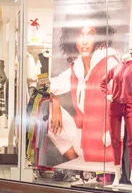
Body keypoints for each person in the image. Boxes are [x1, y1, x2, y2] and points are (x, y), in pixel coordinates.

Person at [49, 11, 120, 162]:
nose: (85, 41)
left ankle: (83, 166)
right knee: (46, 116)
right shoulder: (78, 69)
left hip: (105, 139)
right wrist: (55, 104)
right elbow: (51, 86)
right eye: (80, 35)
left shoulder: (109, 64)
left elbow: (125, 104)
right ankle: (76, 162)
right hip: (85, 136)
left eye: (91, 34)